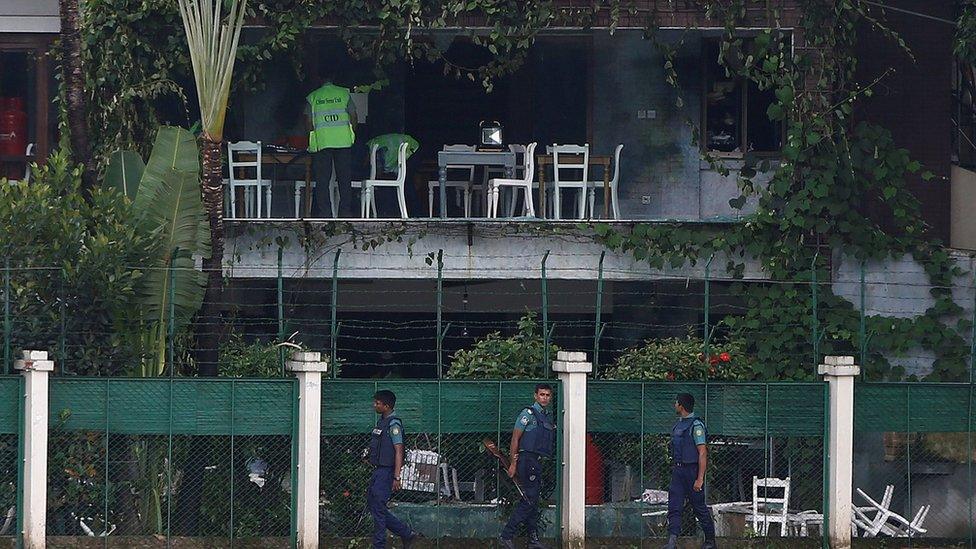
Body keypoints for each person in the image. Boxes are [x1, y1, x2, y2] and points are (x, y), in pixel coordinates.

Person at [499, 384, 555, 549]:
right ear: (535, 396)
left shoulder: (546, 416)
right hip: (526, 460)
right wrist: (513, 463)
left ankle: (533, 539)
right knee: (529, 499)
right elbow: (515, 439)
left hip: (536, 461)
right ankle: (506, 535)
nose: (544, 397)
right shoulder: (528, 414)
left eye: (547, 395)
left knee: (534, 500)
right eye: (542, 394)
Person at [367, 390, 421, 548]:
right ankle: (406, 533)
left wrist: (397, 477)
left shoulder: (393, 424)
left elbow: (399, 450)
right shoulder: (382, 422)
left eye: (377, 403)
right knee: (374, 505)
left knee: (378, 508)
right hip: (379, 470)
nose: (374, 405)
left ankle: (380, 545)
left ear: (387, 406)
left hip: (387, 472)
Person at [664, 393, 716, 549]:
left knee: (699, 507)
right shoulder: (678, 424)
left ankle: (710, 541)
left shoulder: (696, 426)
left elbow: (702, 452)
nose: (674, 405)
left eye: (676, 403)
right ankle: (672, 542)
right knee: (674, 506)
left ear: (681, 406)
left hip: (692, 471)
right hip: (678, 471)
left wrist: (700, 478)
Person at [306, 70, 357, 217]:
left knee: (322, 181)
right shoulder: (344, 94)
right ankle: (345, 213)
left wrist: (313, 137)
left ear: (319, 79)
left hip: (322, 143)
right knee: (344, 179)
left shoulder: (313, 97)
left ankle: (325, 214)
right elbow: (353, 116)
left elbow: (308, 121)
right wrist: (352, 134)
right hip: (344, 142)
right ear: (334, 78)